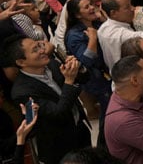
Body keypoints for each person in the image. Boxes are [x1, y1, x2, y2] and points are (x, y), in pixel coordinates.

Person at [5, 36, 92, 164]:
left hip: (80, 129)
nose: (42, 51)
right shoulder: (21, 92)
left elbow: (84, 79)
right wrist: (69, 81)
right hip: (59, 145)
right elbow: (58, 114)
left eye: (39, 46)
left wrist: (78, 67)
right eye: (35, 50)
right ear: (21, 62)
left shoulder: (52, 63)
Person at [64, 0, 111, 144]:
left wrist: (105, 22)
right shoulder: (74, 35)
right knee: (108, 110)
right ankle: (103, 145)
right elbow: (85, 62)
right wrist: (92, 39)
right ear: (77, 15)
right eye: (86, 7)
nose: (92, 8)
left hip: (105, 72)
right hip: (94, 77)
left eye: (91, 4)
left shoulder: (95, 23)